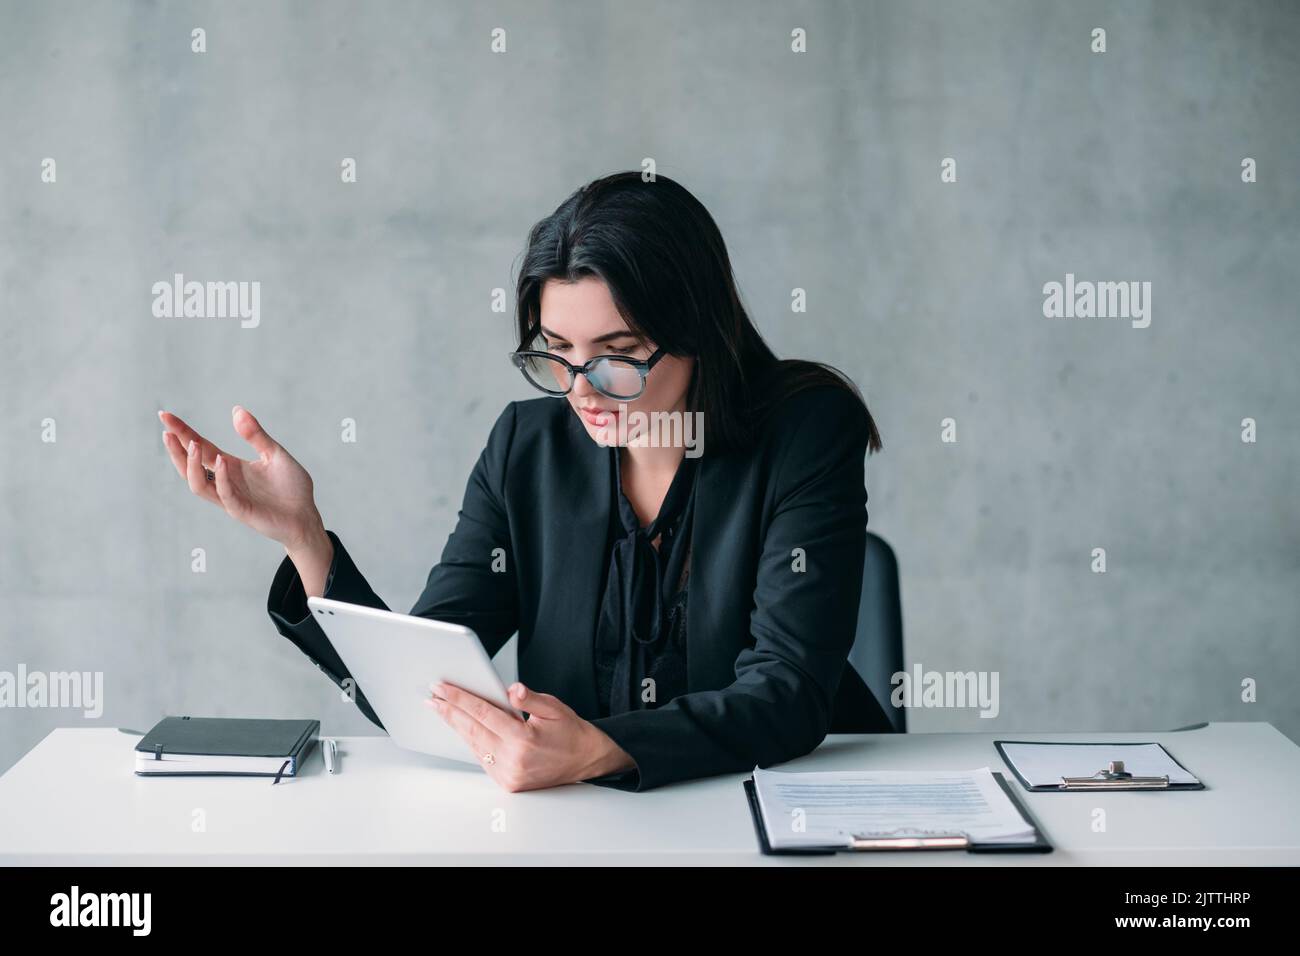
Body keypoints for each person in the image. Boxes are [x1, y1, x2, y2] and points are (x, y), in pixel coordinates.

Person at [158, 171, 890, 793]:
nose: (584, 391)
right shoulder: (527, 446)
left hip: (791, 802)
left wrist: (601, 749)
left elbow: (786, 694)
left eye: (618, 353)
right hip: (587, 828)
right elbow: (429, 689)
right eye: (558, 353)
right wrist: (306, 541)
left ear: (699, 330)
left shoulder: (805, 426)